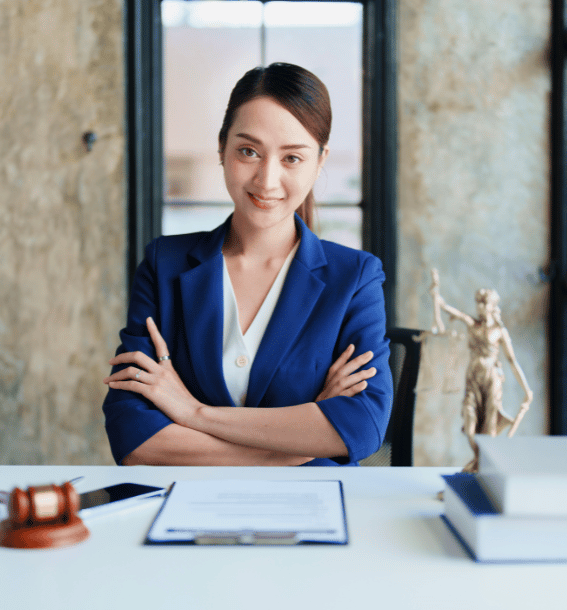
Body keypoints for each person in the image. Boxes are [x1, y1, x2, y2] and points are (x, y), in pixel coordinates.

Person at [102, 63, 393, 466]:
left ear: (320, 160)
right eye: (249, 151)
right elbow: (132, 437)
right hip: (189, 508)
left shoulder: (355, 278)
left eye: (292, 158)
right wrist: (300, 442)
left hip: (312, 508)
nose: (267, 180)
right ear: (221, 148)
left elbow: (362, 427)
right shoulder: (163, 265)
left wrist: (193, 413)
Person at [432, 274, 533, 472]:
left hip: (492, 380)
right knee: (470, 429)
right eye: (477, 303)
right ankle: (481, 463)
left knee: (488, 428)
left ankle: (481, 467)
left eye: (483, 303)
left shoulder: (500, 332)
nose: (479, 307)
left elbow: (513, 362)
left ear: (491, 305)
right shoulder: (472, 324)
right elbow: (448, 309)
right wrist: (436, 295)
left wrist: (527, 390)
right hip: (473, 379)